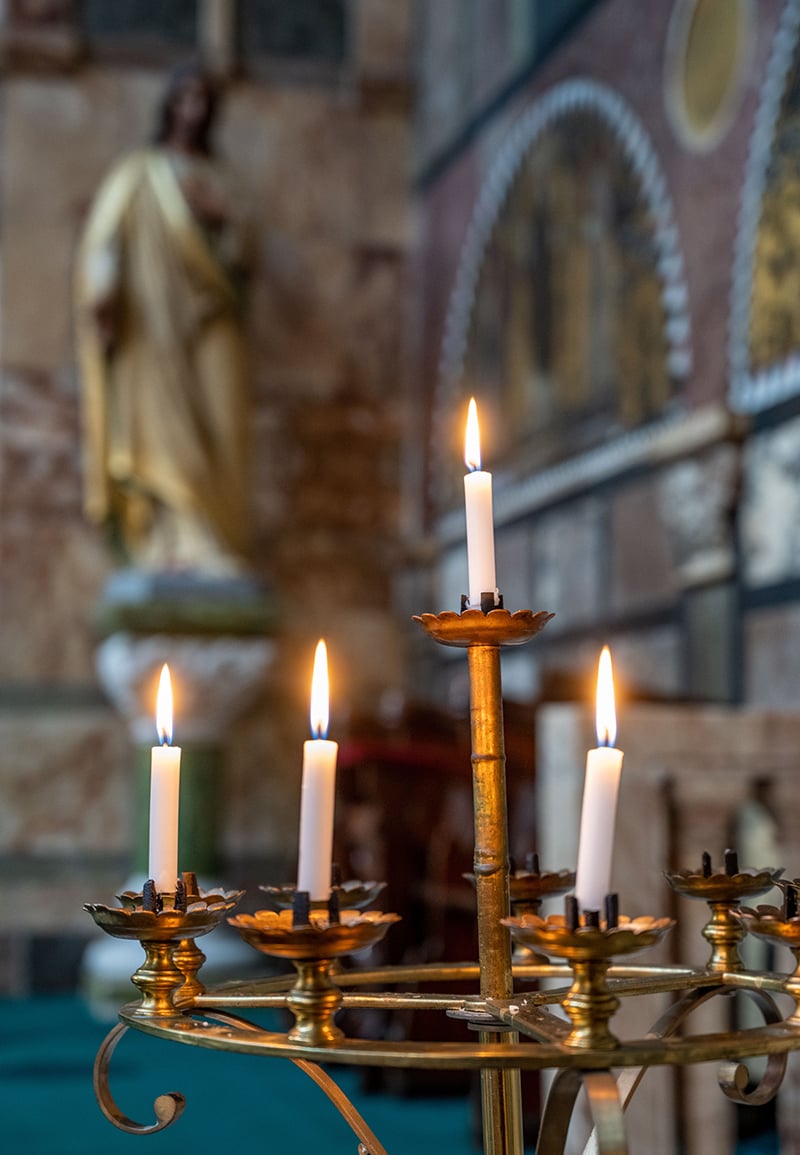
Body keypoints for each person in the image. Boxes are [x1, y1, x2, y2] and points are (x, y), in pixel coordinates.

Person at [75, 61, 253, 575]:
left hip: (215, 321)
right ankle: (169, 541)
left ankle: (215, 540)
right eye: (185, 98)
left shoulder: (224, 181)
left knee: (222, 432)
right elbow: (104, 242)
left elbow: (247, 255)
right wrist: (104, 290)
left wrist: (225, 218)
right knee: (160, 430)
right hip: (152, 327)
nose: (193, 110)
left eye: (203, 100)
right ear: (170, 105)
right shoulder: (140, 174)